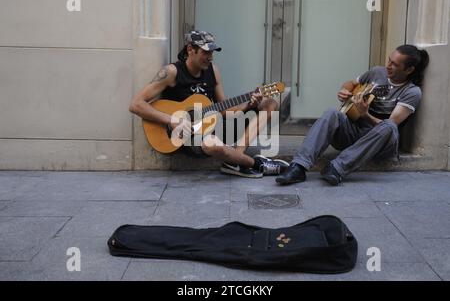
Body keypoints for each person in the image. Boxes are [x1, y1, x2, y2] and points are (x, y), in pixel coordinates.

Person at [129, 31, 288, 178]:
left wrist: (249, 105)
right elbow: (136, 104)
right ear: (191, 50)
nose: (210, 57)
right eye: (206, 52)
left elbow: (224, 109)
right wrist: (172, 120)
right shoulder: (172, 72)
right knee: (211, 144)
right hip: (188, 138)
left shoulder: (213, 70)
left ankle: (235, 159)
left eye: (212, 52)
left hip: (215, 126)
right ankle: (255, 164)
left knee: (270, 103)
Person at [276, 45, 430, 186]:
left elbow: (390, 125)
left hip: (379, 144)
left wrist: (365, 115)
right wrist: (344, 91)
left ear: (409, 70)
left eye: (394, 64)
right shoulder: (377, 72)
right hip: (354, 133)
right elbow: (351, 83)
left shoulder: (412, 92)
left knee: (389, 126)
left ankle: (337, 168)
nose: (388, 66)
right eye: (389, 60)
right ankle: (298, 167)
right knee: (332, 113)